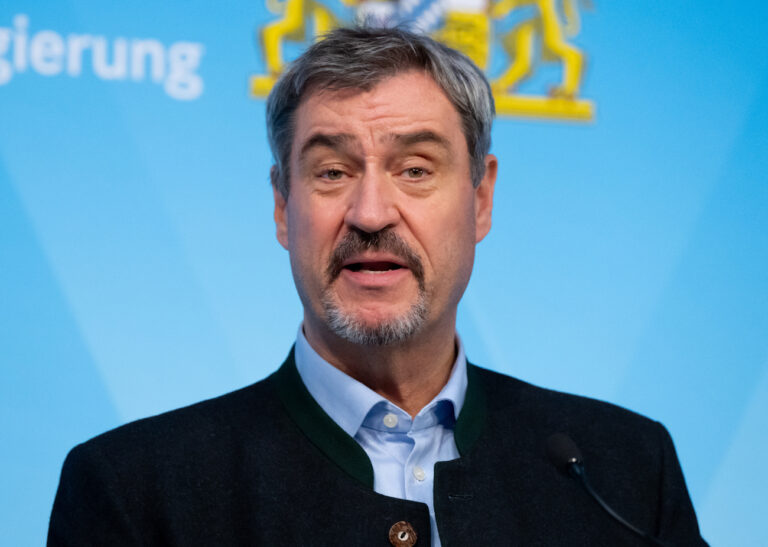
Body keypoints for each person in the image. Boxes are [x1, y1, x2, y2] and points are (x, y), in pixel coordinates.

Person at [48, 27, 707, 546]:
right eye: (331, 172)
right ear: (282, 206)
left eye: (415, 169)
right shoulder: (133, 491)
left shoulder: (623, 469)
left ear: (481, 199)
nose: (370, 213)